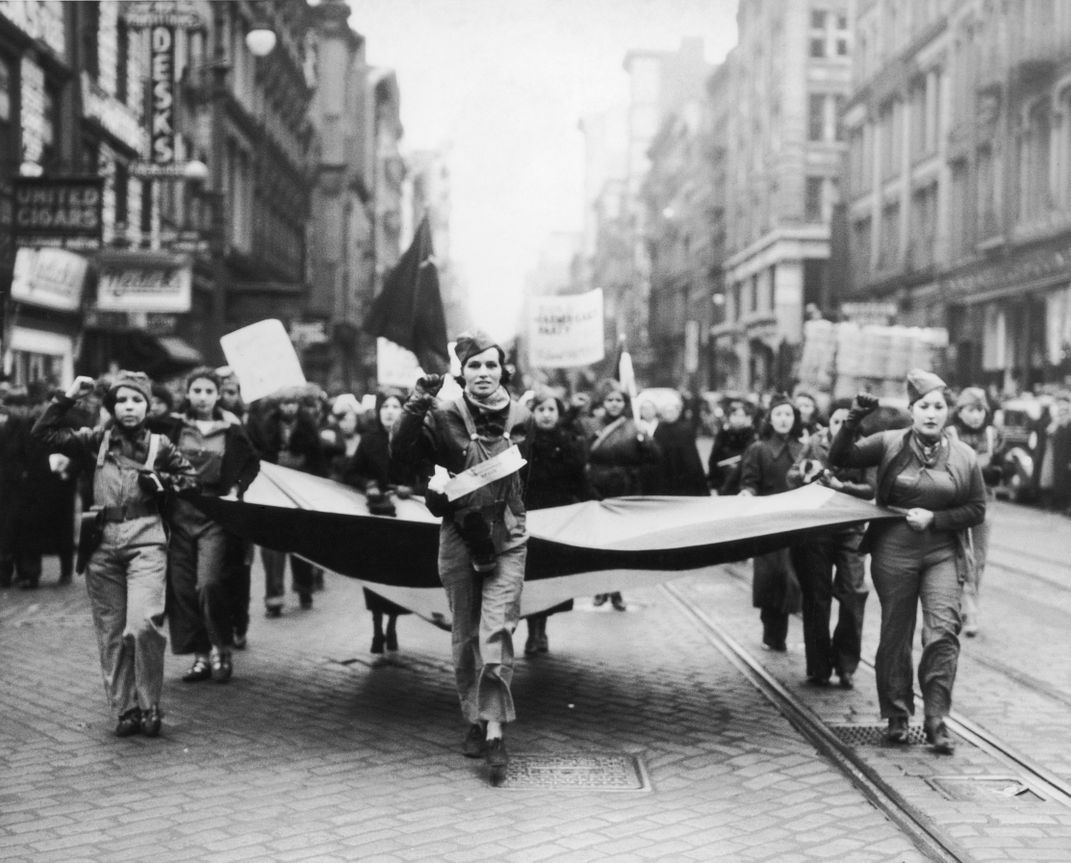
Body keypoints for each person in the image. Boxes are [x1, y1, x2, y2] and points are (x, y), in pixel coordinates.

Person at [391, 331, 529, 778]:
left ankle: (493, 731)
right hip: (458, 534)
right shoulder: (445, 412)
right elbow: (401, 449)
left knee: (497, 631)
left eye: (491, 365)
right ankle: (473, 717)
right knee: (465, 635)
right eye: (474, 366)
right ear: (461, 372)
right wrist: (417, 401)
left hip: (508, 534)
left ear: (502, 369)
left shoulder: (522, 413)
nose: (484, 373)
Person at [32, 371, 198, 737]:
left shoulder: (161, 445)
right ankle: (126, 710)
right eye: (121, 401)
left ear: (147, 405)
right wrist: (68, 396)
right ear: (112, 407)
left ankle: (150, 703)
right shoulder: (96, 439)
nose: (128, 407)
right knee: (110, 632)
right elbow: (43, 434)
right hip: (102, 544)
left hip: (147, 540)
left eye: (136, 400)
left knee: (142, 625)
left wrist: (164, 482)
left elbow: (191, 480)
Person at [828, 370, 986, 753]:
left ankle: (936, 718)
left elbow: (976, 508)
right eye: (924, 406)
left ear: (947, 412)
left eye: (938, 406)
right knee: (896, 634)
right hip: (893, 550)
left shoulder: (964, 456)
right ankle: (897, 715)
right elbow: (842, 457)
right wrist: (853, 420)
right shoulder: (889, 443)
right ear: (912, 410)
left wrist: (937, 519)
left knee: (943, 631)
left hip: (942, 552)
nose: (931, 414)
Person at [158, 367, 260, 683]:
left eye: (209, 391)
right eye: (197, 391)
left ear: (218, 395)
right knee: (184, 589)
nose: (202, 397)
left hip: (213, 515)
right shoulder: (173, 426)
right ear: (188, 393)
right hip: (179, 513)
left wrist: (235, 489)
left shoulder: (232, 428)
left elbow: (251, 464)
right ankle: (200, 657)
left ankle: (222, 648)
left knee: (209, 583)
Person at [787, 398, 874, 688]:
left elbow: (871, 488)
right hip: (817, 528)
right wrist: (803, 474)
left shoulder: (864, 446)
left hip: (850, 527)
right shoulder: (814, 443)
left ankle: (846, 663)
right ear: (828, 423)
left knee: (853, 593)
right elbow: (791, 475)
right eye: (835, 421)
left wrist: (843, 487)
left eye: (845, 421)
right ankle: (819, 665)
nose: (839, 427)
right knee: (817, 595)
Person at [343, 390, 415, 655]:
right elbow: (350, 472)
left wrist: (411, 488)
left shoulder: (414, 440)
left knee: (395, 575)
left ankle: (392, 626)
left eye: (396, 406)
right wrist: (368, 484)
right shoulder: (370, 440)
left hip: (404, 519)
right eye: (385, 406)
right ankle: (376, 628)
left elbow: (431, 474)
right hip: (376, 518)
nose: (390, 411)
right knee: (374, 575)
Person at [518, 389, 588, 655]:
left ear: (559, 415)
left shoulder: (568, 443)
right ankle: (532, 631)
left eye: (551, 410)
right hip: (528, 519)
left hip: (557, 521)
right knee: (528, 578)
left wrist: (593, 502)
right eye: (541, 410)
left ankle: (541, 630)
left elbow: (579, 479)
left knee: (548, 579)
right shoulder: (523, 444)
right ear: (532, 414)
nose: (546, 415)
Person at [247, 387, 327, 616]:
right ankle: (274, 597)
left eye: (293, 403)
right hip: (274, 490)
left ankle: (304, 587)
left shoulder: (308, 425)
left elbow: (318, 459)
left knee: (302, 540)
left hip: (302, 489)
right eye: (284, 403)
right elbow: (261, 454)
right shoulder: (267, 426)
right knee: (272, 544)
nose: (289, 408)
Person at [586, 380, 661, 611]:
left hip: (625, 489)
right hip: (597, 488)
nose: (614, 404)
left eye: (619, 400)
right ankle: (600, 587)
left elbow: (655, 457)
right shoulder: (590, 425)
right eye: (610, 400)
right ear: (603, 402)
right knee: (599, 542)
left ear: (625, 403)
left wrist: (645, 441)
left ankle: (616, 589)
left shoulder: (634, 426)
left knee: (619, 543)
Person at [739, 393, 805, 652]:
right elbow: (749, 480)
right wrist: (748, 492)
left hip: (795, 523)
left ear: (795, 419)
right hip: (767, 523)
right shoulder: (758, 449)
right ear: (769, 419)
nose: (784, 419)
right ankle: (771, 630)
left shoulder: (802, 449)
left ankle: (781, 632)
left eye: (789, 414)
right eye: (778, 414)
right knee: (769, 578)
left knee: (790, 578)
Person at [945, 387, 1002, 637]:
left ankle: (970, 605)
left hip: (985, 501)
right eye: (971, 409)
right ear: (960, 411)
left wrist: (1000, 471)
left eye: (980, 410)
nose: (976, 415)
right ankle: (963, 606)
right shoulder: (950, 433)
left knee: (978, 556)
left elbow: (1000, 465)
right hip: (957, 501)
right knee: (960, 553)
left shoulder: (992, 435)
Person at [652, 393, 709, 496]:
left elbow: (693, 458)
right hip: (665, 475)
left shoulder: (685, 429)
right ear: (662, 413)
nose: (669, 414)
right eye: (666, 411)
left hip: (685, 476)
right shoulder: (659, 430)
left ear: (678, 412)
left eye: (672, 410)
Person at [707, 397, 757, 495]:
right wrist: (713, 485)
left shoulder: (751, 436)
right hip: (723, 482)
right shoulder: (723, 435)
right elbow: (713, 460)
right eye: (735, 415)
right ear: (729, 417)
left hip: (742, 484)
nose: (738, 419)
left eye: (741, 416)